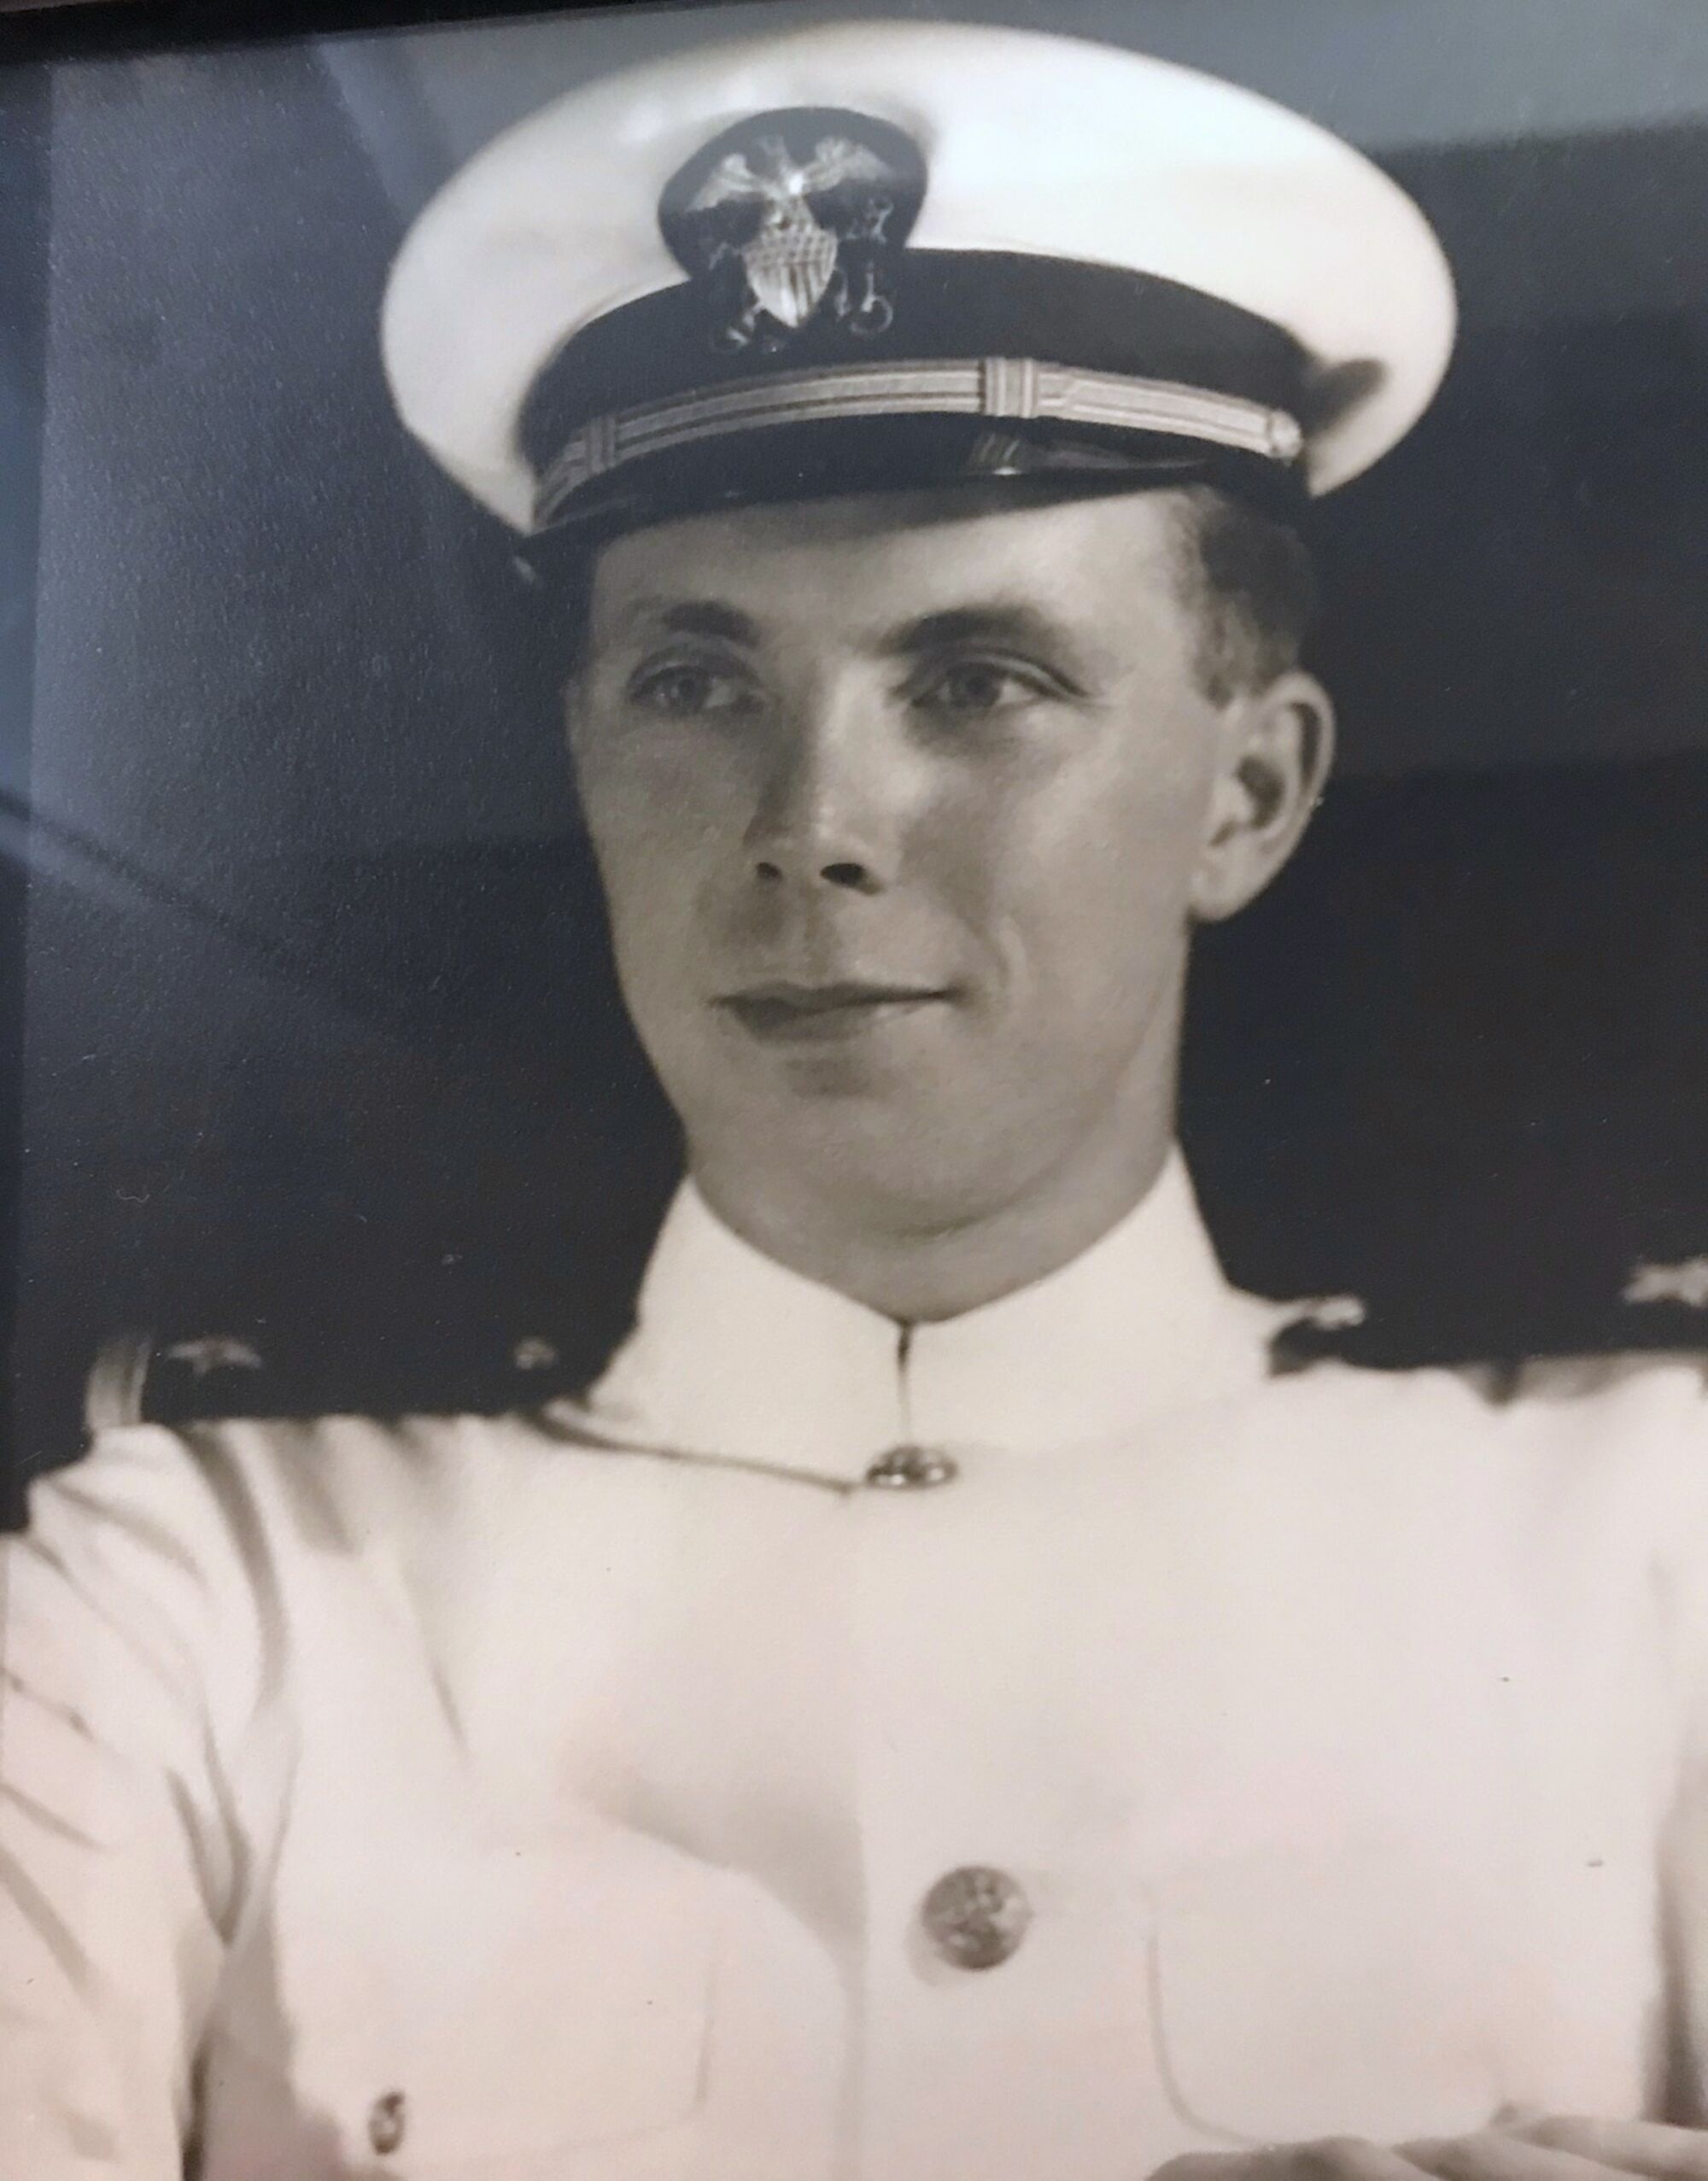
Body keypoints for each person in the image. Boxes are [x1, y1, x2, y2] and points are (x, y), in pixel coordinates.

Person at [7, 16, 1708, 2181]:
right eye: (695, 684)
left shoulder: (1651, 1537)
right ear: (587, 764)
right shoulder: (203, 1585)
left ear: (1247, 793)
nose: (808, 822)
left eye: (978, 680)